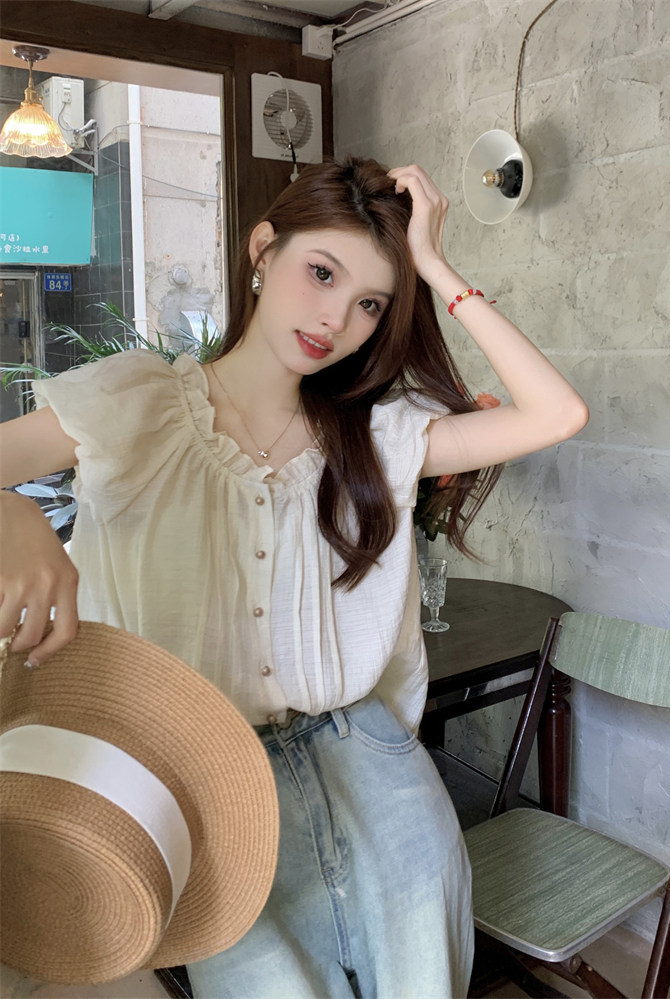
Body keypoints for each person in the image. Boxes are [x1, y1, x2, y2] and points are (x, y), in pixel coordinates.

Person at [0, 159, 588, 998]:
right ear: (262, 249)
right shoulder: (137, 404)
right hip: (214, 783)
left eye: (371, 303)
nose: (336, 319)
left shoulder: (376, 437)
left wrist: (434, 265)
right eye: (321, 272)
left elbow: (558, 413)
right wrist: (16, 514)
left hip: (372, 763)